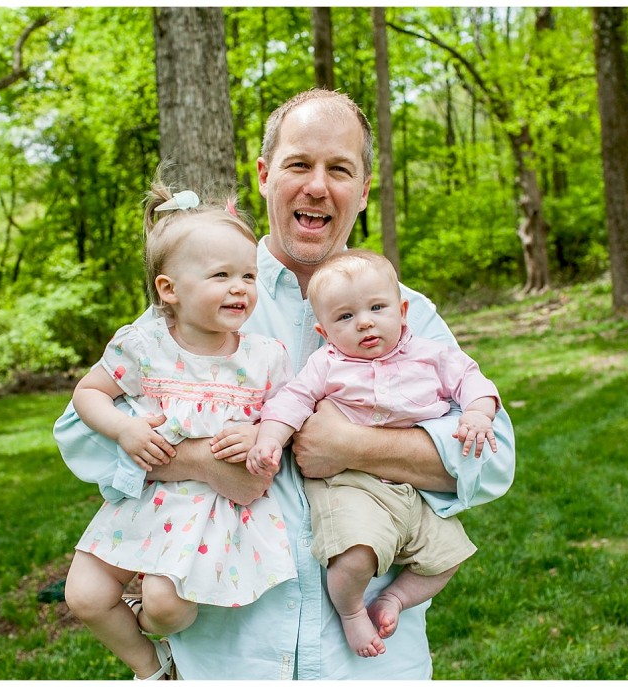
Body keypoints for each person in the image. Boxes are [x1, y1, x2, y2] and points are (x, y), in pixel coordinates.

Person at [55, 88, 516, 679]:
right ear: (266, 176)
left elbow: (493, 457)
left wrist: (353, 447)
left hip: (367, 656)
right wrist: (200, 460)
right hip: (230, 651)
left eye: (340, 169)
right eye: (299, 164)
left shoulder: (405, 313)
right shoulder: (204, 296)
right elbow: (80, 433)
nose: (317, 187)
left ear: (365, 190)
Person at [62, 177, 296, 680]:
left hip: (212, 514)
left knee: (166, 608)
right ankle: (154, 668)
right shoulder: (144, 347)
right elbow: (87, 394)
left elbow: (290, 416)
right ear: (169, 289)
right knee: (83, 594)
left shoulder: (263, 357)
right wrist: (124, 431)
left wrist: (261, 435)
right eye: (221, 275)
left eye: (249, 276)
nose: (240, 287)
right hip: (143, 502)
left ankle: (154, 628)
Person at [247, 248, 501, 659]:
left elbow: (472, 380)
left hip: (411, 489)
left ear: (403, 312)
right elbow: (292, 401)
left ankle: (394, 599)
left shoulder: (430, 354)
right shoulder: (326, 364)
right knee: (356, 556)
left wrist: (477, 412)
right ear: (325, 332)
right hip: (350, 485)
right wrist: (270, 439)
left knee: (449, 557)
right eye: (345, 317)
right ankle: (351, 614)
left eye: (377, 308)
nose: (364, 322)